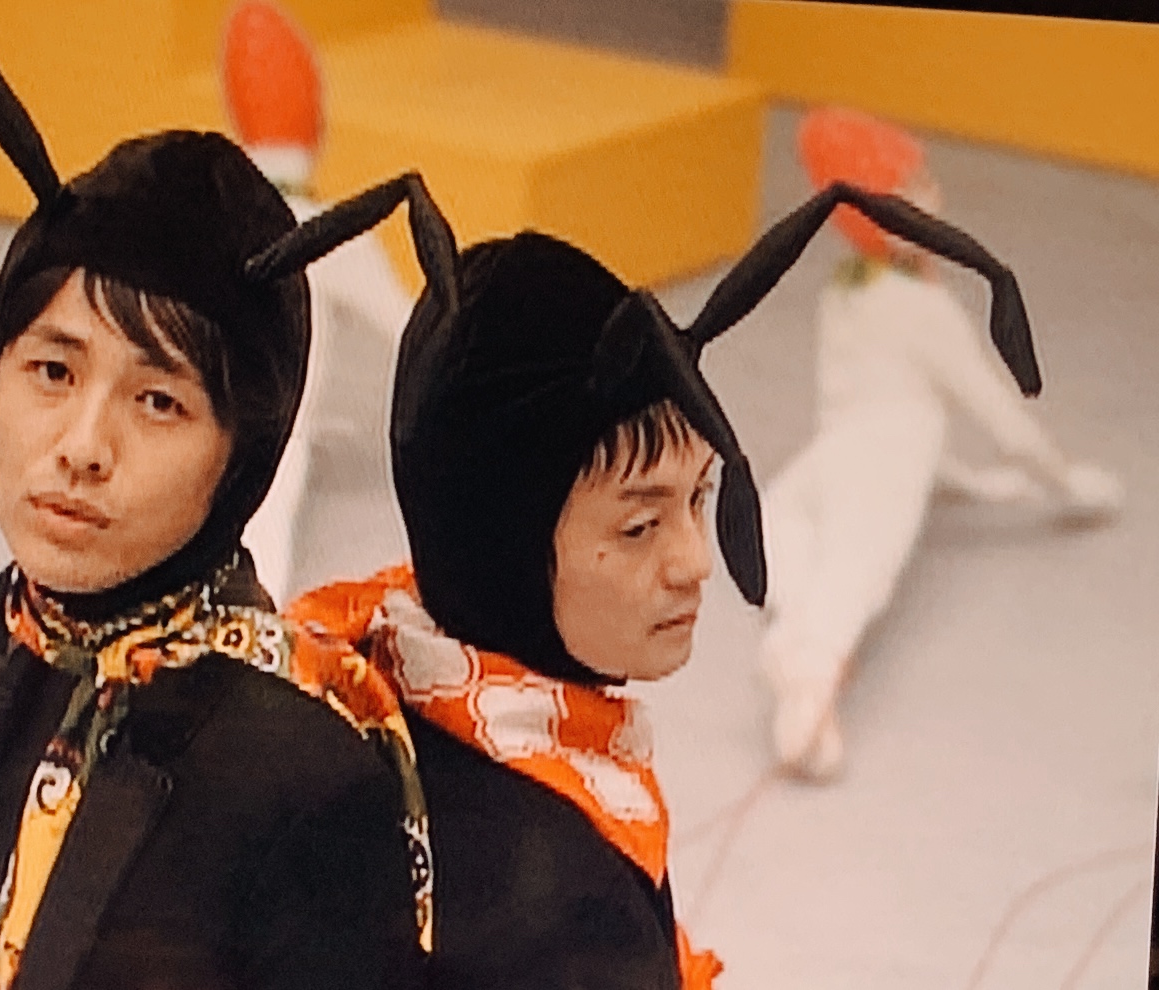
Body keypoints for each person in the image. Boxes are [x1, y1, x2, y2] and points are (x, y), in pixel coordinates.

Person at [0, 8, 457, 989]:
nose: (82, 447)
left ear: (244, 451)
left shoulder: (301, 769)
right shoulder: (22, 623)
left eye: (158, 400)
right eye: (51, 370)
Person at [287, 177, 1043, 989]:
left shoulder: (367, 676)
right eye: (639, 526)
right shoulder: (559, 911)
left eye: (699, 499)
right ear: (501, 539)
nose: (694, 561)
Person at [760, 106, 1124, 781]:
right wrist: (1065, 478)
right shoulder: (923, 310)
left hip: (836, 451)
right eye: (917, 186)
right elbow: (1002, 418)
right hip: (888, 463)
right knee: (856, 577)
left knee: (788, 520)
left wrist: (975, 486)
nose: (936, 194)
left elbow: (845, 404)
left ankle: (791, 636)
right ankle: (806, 698)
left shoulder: (844, 293)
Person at [224, 0, 416, 603]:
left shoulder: (228, 221)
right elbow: (408, 327)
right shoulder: (339, 231)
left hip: (230, 400)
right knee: (280, 470)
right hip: (289, 411)